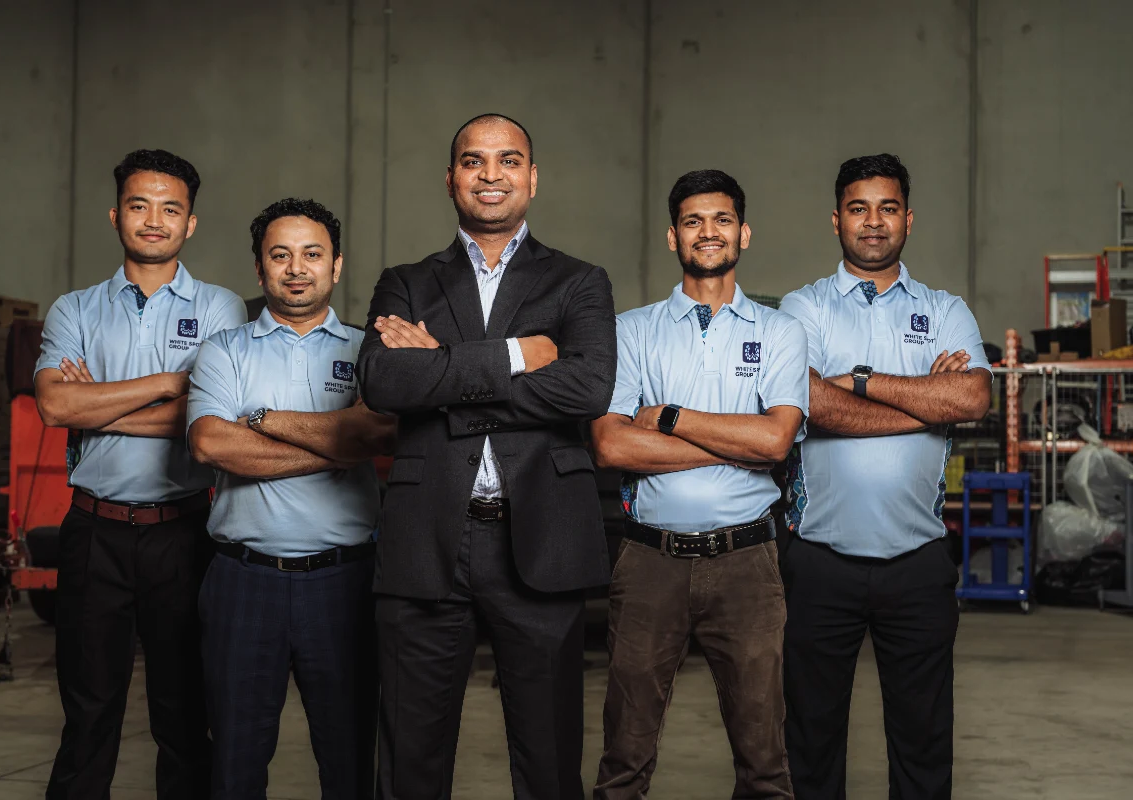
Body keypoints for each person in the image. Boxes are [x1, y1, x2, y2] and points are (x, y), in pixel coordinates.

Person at [358, 113, 617, 800]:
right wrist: (518, 356)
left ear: (531, 177)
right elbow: (384, 383)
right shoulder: (406, 283)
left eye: (508, 161)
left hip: (542, 537)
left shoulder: (580, 282)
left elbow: (588, 387)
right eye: (474, 162)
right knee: (410, 759)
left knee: (549, 761)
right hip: (426, 538)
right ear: (451, 180)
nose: (491, 175)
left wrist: (440, 374)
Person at [778, 153, 992, 800]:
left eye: (888, 207)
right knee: (811, 742)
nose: (874, 222)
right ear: (836, 219)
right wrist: (925, 400)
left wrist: (864, 380)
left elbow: (974, 400)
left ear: (909, 218)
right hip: (818, 558)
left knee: (924, 743)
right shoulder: (803, 308)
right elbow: (810, 404)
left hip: (918, 562)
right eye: (859, 208)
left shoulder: (946, 309)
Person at [35, 149, 247, 799]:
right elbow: (54, 404)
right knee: (88, 713)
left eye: (170, 208)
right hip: (93, 531)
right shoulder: (74, 309)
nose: (153, 220)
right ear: (115, 215)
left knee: (184, 716)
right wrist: (168, 387)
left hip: (184, 534)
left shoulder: (221, 309)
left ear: (190, 224)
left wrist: (100, 405)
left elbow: (216, 423)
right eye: (138, 205)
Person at [591, 170, 805, 800]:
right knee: (623, 757)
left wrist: (673, 418)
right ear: (672, 236)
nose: (707, 232)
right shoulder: (631, 330)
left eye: (720, 220)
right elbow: (610, 444)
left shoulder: (780, 331)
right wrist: (731, 443)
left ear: (743, 232)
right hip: (649, 560)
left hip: (748, 565)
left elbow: (775, 443)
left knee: (766, 762)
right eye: (692, 221)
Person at [187, 198, 395, 799]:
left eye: (312, 254)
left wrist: (263, 419)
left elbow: (381, 433)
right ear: (259, 270)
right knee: (234, 763)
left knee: (351, 760)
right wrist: (339, 444)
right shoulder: (225, 350)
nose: (297, 268)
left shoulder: (366, 351)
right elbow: (209, 443)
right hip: (242, 583)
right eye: (280, 256)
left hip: (345, 584)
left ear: (336, 266)